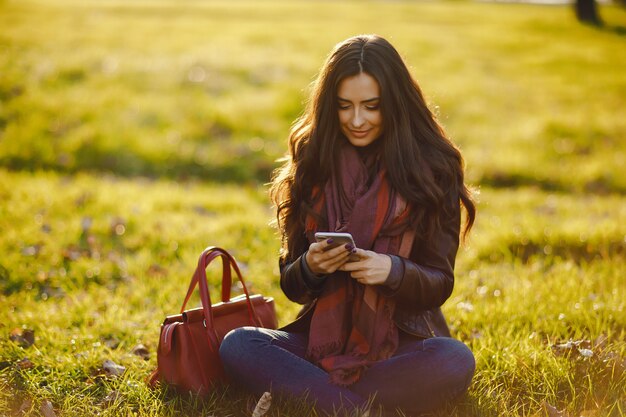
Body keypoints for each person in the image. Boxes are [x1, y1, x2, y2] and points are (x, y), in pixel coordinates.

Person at [219, 34, 477, 416]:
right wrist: (311, 266)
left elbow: (439, 281)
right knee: (238, 345)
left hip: (402, 342)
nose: (357, 120)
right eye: (345, 107)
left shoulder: (432, 169)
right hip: (319, 342)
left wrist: (392, 271)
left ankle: (325, 398)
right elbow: (292, 282)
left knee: (454, 358)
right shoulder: (313, 161)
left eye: (371, 107)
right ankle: (355, 407)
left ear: (396, 105)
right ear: (330, 106)